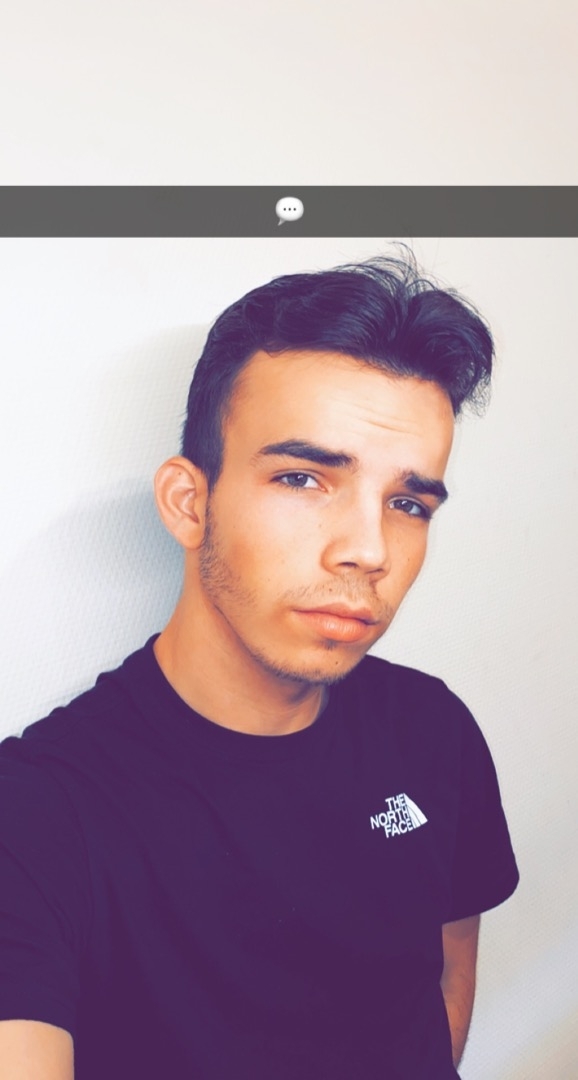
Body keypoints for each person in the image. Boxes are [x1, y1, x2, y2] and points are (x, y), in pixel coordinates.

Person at [0, 251, 519, 1079]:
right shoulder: (37, 812)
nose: (369, 550)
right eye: (304, 478)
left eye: (407, 503)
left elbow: (443, 979)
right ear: (189, 502)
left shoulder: (433, 729)